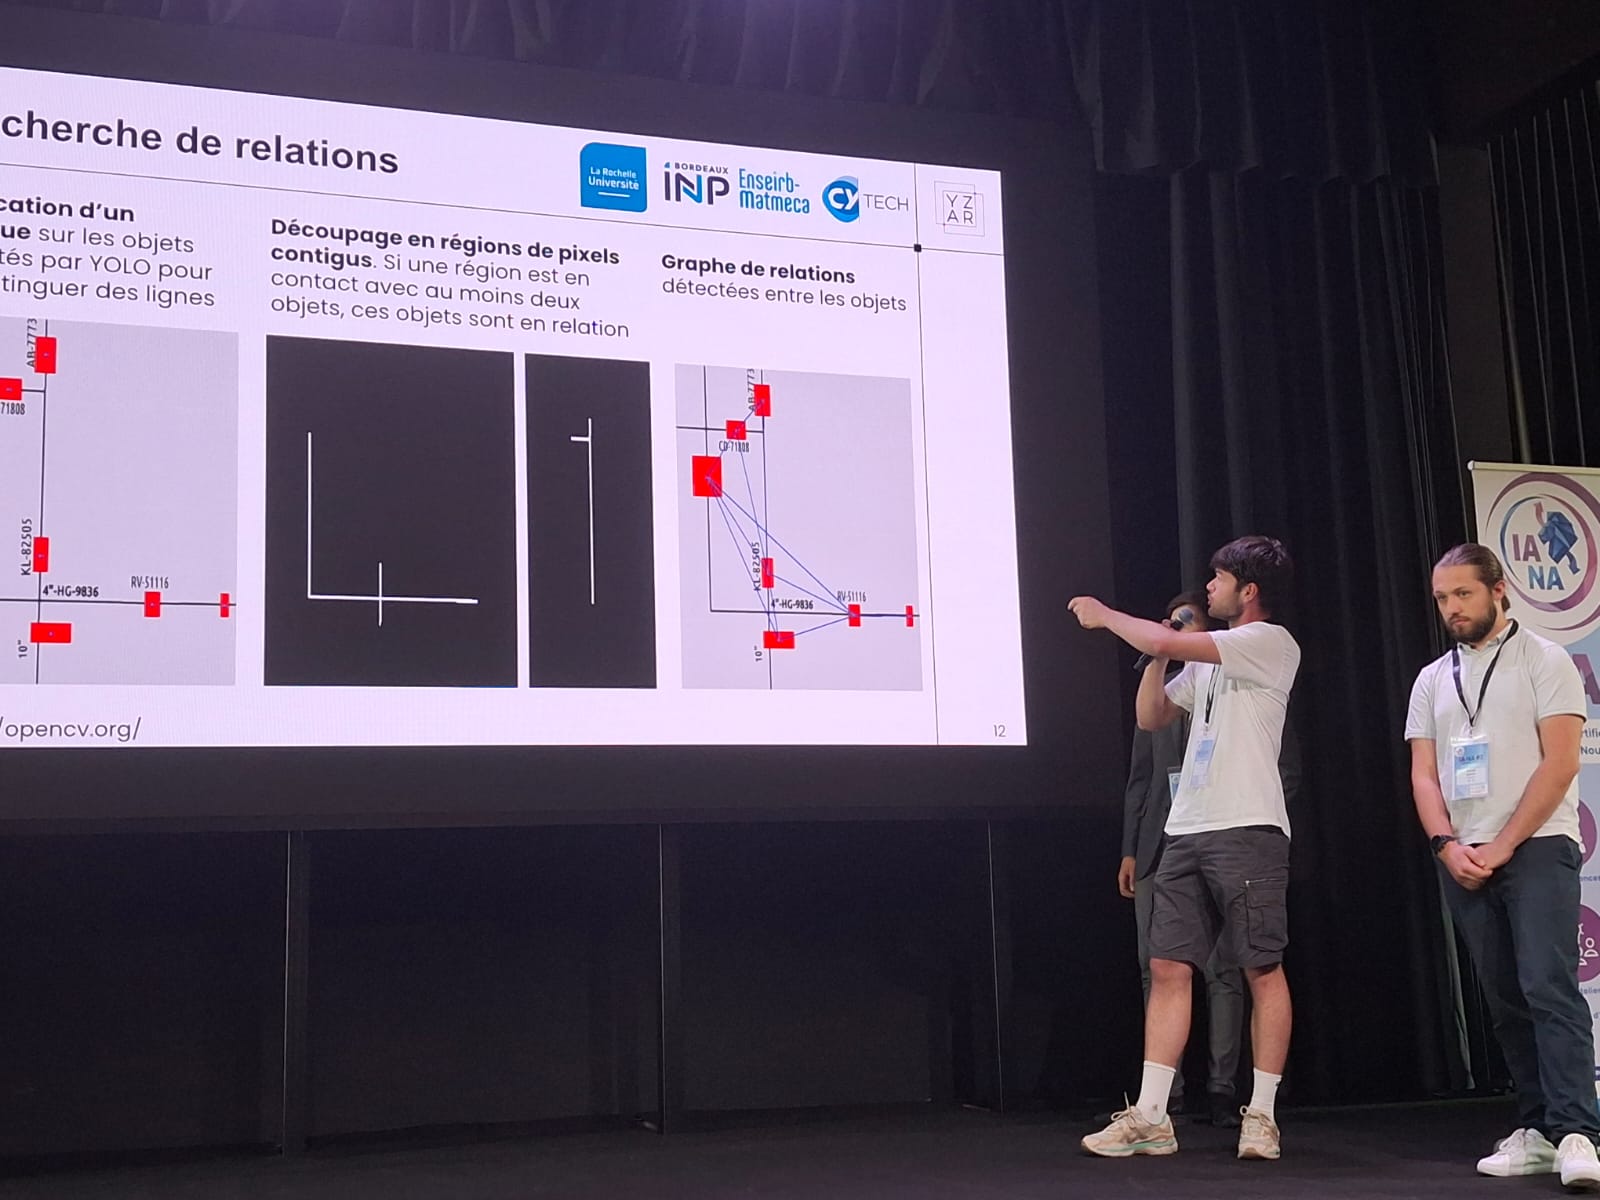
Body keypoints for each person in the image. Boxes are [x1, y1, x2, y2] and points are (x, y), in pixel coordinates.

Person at [1069, 535, 1299, 1162]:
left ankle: (1262, 1114)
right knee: (1169, 966)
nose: (1209, 588)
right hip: (1187, 828)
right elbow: (1152, 716)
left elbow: (1167, 641)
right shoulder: (1208, 661)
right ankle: (1151, 1116)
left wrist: (1107, 615)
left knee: (1260, 967)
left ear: (1249, 591)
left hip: (1247, 827)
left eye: (1219, 579)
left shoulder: (1267, 642)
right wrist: (1155, 655)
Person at [1405, 543, 1600, 1188]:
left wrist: (1505, 843)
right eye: (1442, 598)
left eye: (1463, 593)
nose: (1452, 608)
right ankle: (1538, 1127)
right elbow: (1424, 774)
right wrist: (1445, 844)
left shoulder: (1545, 659)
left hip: (1538, 843)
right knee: (1504, 997)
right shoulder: (1432, 678)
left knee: (1548, 985)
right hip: (1463, 852)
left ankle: (1579, 1130)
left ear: (1498, 590)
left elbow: (1561, 762)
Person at [1120, 592, 1246, 1129]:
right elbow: (1140, 779)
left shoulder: (1232, 687)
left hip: (1218, 836)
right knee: (1155, 965)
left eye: (1185, 623)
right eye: (1170, 624)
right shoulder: (1163, 691)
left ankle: (1221, 1089)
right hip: (1158, 843)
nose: (1174, 631)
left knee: (1222, 969)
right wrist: (1130, 849)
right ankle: (1163, 1094)